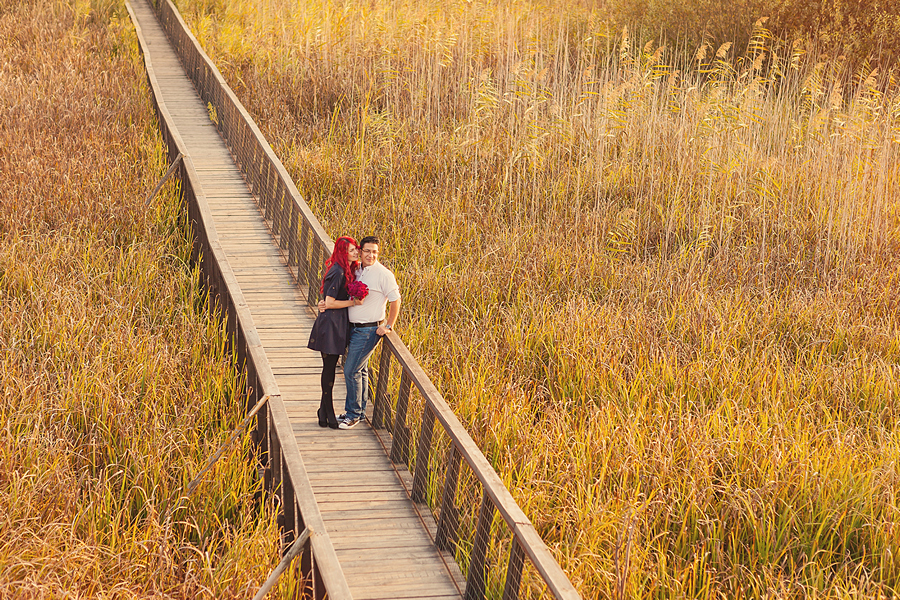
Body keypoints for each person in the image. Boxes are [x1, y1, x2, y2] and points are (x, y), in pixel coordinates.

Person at [320, 235, 402, 429]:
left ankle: (353, 415)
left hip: (369, 329)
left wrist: (388, 325)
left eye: (374, 252)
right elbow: (338, 291)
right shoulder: (355, 269)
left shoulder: (384, 274)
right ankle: (358, 411)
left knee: (350, 370)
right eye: (366, 251)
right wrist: (325, 303)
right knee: (361, 371)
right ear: (360, 251)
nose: (370, 255)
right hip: (351, 328)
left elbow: (395, 300)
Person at [307, 236, 363, 429]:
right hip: (330, 325)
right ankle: (326, 410)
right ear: (342, 253)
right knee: (329, 368)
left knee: (329, 367)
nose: (356, 252)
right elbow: (329, 302)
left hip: (336, 324)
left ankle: (324, 412)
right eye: (352, 250)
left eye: (356, 249)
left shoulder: (346, 270)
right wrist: (353, 302)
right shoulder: (338, 271)